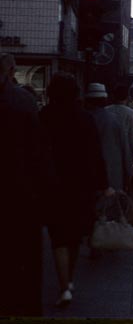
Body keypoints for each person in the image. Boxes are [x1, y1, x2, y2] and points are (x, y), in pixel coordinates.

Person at [41, 73, 109, 307]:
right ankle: (69, 280)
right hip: (81, 186)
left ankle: (64, 286)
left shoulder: (44, 116)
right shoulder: (85, 118)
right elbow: (96, 154)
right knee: (73, 237)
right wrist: (103, 184)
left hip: (53, 185)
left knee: (57, 238)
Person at [0, 54, 44, 316]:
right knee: (22, 263)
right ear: (12, 70)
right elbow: (37, 152)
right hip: (18, 193)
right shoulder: (22, 101)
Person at [85, 83, 133, 194]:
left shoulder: (82, 119)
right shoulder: (114, 120)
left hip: (87, 178)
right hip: (112, 178)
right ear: (104, 99)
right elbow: (125, 150)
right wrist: (128, 176)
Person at [106, 85, 133, 169]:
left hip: (106, 154)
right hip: (124, 155)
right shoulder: (130, 114)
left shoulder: (105, 111)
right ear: (127, 97)